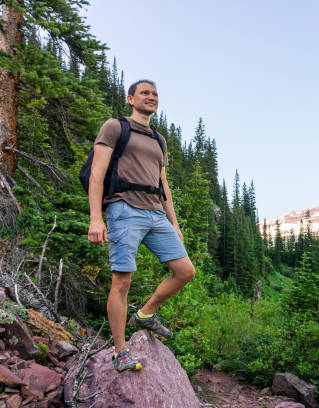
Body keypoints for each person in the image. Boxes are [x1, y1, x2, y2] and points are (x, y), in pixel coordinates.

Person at [87, 80, 195, 373]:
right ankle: (120, 351)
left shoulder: (159, 140)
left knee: (185, 271)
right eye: (145, 93)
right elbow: (97, 175)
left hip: (156, 213)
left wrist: (174, 223)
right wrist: (96, 217)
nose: (151, 97)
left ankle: (146, 314)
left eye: (155, 94)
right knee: (122, 281)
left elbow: (164, 185)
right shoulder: (115, 127)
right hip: (124, 208)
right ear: (131, 99)